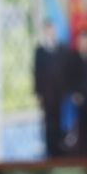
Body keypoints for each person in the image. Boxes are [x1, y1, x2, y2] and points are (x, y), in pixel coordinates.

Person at [34, 21, 65, 156]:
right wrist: (38, 92)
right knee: (47, 120)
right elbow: (36, 72)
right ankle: (49, 146)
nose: (50, 32)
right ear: (44, 32)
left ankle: (58, 144)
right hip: (46, 92)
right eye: (47, 30)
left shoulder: (61, 49)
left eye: (52, 30)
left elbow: (65, 70)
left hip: (59, 91)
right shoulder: (39, 50)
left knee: (58, 117)